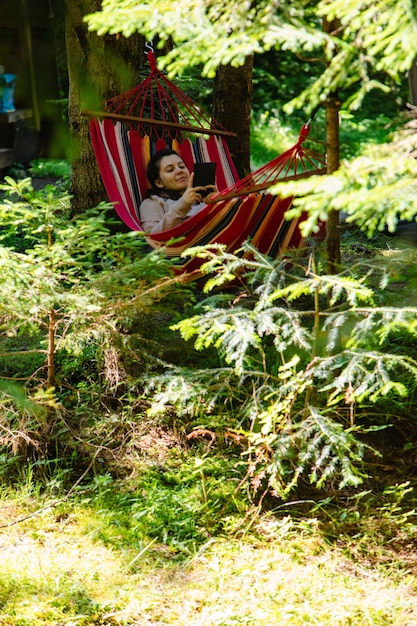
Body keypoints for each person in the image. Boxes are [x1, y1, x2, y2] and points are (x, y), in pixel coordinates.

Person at [139, 149, 218, 234]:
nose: (179, 171)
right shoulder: (153, 202)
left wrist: (217, 204)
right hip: (189, 245)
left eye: (181, 166)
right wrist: (184, 204)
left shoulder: (203, 199)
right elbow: (152, 236)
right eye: (170, 170)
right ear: (159, 183)